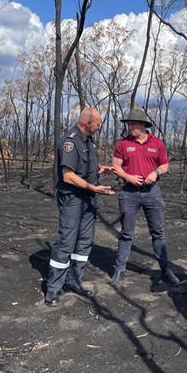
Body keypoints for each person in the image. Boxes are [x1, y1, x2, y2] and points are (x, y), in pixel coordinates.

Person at [45, 107, 115, 307]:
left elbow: (84, 168)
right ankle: (53, 288)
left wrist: (102, 169)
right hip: (73, 198)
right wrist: (93, 187)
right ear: (87, 123)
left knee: (84, 241)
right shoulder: (70, 141)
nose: (100, 127)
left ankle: (74, 281)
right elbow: (68, 175)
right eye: (98, 124)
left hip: (89, 198)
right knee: (66, 241)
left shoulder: (89, 142)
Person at [109, 108, 180, 286]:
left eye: (133, 124)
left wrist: (156, 172)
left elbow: (164, 165)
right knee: (126, 233)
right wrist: (128, 177)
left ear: (143, 124)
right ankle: (119, 269)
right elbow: (116, 166)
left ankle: (165, 269)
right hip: (129, 193)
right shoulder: (123, 144)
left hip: (152, 193)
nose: (130, 127)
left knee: (157, 232)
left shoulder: (157, 143)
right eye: (128, 124)